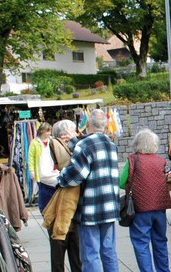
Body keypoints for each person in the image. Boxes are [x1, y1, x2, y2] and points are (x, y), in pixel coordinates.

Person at [57, 109, 120, 272]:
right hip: (110, 206)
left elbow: (76, 176)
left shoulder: (84, 145)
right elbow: (91, 151)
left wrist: (60, 176)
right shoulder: (110, 144)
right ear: (105, 127)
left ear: (88, 125)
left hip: (90, 208)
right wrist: (73, 142)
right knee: (109, 252)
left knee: (90, 254)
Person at [119, 128, 171, 272]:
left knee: (141, 243)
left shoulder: (132, 160)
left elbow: (121, 182)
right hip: (160, 208)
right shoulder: (160, 161)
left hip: (140, 208)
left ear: (137, 144)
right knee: (160, 241)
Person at [41, 120, 81, 272]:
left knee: (75, 247)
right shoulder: (50, 147)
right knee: (58, 246)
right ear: (65, 135)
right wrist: (65, 180)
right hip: (54, 201)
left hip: (71, 204)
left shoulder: (68, 147)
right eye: (73, 132)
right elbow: (44, 174)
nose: (75, 135)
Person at [27, 122, 58, 214]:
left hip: (53, 170)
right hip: (41, 171)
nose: (49, 133)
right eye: (47, 131)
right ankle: (44, 210)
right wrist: (31, 170)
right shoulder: (35, 142)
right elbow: (31, 157)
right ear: (41, 131)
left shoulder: (52, 140)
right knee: (43, 192)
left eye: (50, 131)